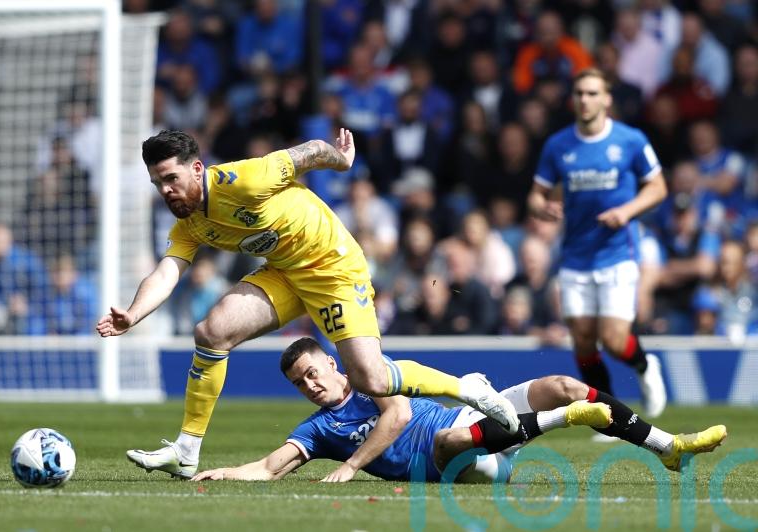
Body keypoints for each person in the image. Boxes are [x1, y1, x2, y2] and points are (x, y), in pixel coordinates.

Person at [99, 128, 520, 479]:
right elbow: (168, 270)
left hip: (332, 266)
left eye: (171, 178)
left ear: (196, 168)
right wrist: (134, 314)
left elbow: (309, 152)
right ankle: (187, 450)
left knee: (372, 379)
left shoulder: (245, 179)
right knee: (212, 332)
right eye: (158, 184)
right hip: (286, 271)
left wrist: (341, 159)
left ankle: (468, 388)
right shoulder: (189, 221)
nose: (166, 190)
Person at [191, 338, 727, 483]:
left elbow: (398, 415)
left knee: (564, 383)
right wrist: (223, 472)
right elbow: (267, 468)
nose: (310, 385)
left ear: (332, 364)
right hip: (466, 464)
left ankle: (669, 448)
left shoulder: (370, 377)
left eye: (312, 372)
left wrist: (351, 468)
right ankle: (563, 422)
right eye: (298, 382)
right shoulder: (319, 429)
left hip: (476, 427)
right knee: (446, 443)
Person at [527, 68, 669, 419]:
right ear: (572, 99)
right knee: (584, 340)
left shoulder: (630, 140)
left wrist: (627, 211)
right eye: (579, 93)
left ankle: (645, 363)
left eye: (592, 93)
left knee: (615, 339)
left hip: (617, 253)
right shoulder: (559, 145)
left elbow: (658, 187)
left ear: (606, 99)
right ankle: (609, 415)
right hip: (575, 256)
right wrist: (542, 208)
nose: (585, 100)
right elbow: (535, 195)